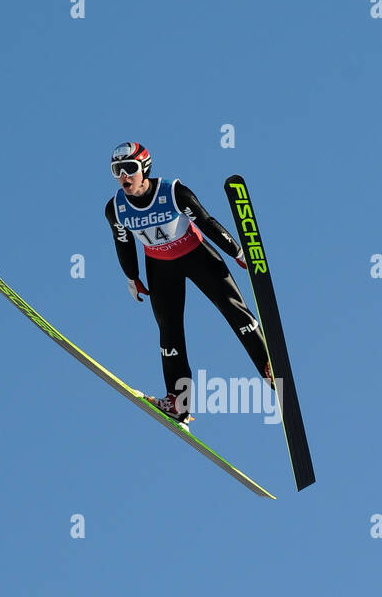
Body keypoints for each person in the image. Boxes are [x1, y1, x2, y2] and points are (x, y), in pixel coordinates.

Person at [105, 141, 274, 422]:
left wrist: (238, 252)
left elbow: (206, 221)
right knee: (169, 334)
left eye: (129, 169)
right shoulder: (116, 209)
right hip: (159, 269)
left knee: (234, 310)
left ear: (144, 169)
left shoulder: (173, 192)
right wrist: (132, 277)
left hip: (197, 256)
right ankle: (178, 403)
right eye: (117, 170)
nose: (124, 176)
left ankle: (269, 366)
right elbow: (122, 243)